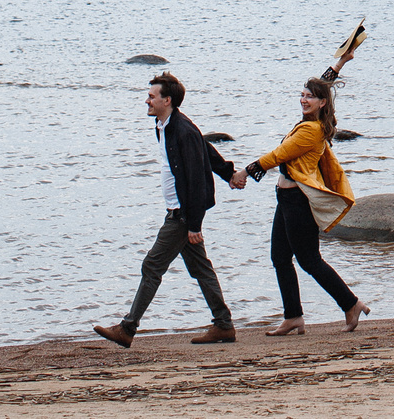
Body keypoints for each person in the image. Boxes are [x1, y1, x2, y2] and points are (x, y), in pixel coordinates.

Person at [94, 72, 248, 347]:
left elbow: (196, 179)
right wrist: (229, 173)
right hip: (181, 212)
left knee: (152, 265)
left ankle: (127, 329)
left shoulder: (182, 130)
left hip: (182, 214)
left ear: (167, 100)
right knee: (201, 268)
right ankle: (224, 325)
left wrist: (193, 225)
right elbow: (206, 149)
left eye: (152, 97)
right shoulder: (164, 125)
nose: (147, 101)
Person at [242, 75, 369, 334]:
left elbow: (279, 155)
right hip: (286, 199)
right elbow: (324, 82)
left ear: (322, 103)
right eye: (302, 94)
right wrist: (341, 63)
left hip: (298, 201)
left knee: (309, 260)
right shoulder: (311, 122)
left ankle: (351, 304)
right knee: (279, 258)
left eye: (309, 96)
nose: (304, 99)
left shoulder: (311, 131)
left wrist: (245, 172)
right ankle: (293, 317)